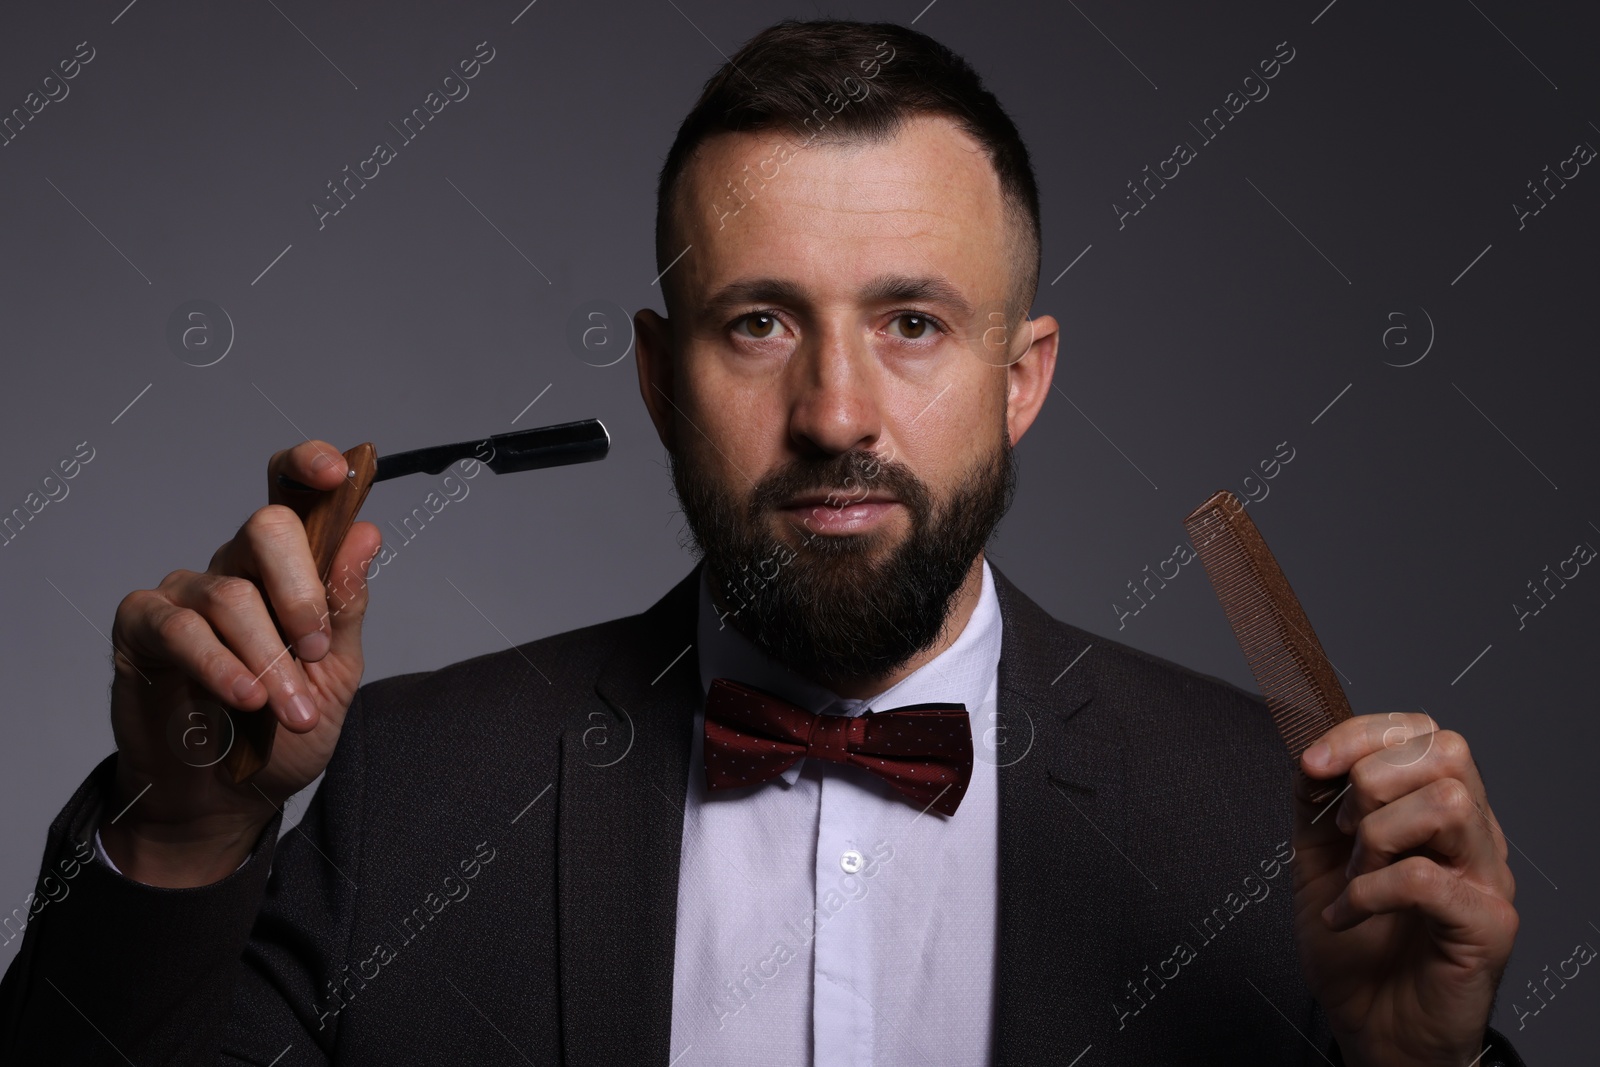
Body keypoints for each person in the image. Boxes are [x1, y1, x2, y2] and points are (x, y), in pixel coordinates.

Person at [0, 18, 1523, 1066]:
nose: (835, 411)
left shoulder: (1282, 831)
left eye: (913, 323)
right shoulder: (410, 794)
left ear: (1023, 379)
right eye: (760, 323)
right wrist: (186, 831)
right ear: (663, 380)